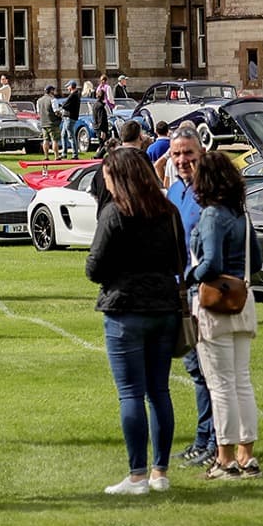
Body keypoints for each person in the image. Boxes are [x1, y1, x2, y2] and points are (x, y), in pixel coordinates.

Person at [84, 147, 184, 496]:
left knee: (131, 393)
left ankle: (138, 475)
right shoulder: (168, 210)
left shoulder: (115, 213)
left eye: (108, 177)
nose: (106, 184)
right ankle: (160, 471)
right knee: (159, 392)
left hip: (126, 309)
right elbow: (179, 259)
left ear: (120, 178)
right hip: (164, 308)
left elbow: (94, 267)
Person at [186, 150, 263, 481]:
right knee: (241, 381)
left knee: (220, 385)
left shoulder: (212, 216)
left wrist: (189, 275)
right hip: (243, 300)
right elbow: (256, 262)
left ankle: (225, 457)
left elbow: (211, 264)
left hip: (214, 305)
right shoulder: (240, 214)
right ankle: (247, 454)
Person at [163, 127, 214, 466]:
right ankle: (203, 438)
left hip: (204, 291)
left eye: (188, 153)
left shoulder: (210, 191)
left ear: (201, 153)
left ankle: (213, 442)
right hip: (179, 290)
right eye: (177, 154)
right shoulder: (175, 192)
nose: (182, 160)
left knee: (211, 371)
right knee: (194, 368)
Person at [35, 85, 59, 159]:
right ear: (51, 91)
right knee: (54, 140)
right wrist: (60, 115)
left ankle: (46, 156)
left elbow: (38, 113)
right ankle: (56, 156)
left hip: (43, 123)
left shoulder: (39, 101)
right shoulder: (53, 99)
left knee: (45, 140)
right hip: (52, 123)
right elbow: (56, 111)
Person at [60, 82, 83, 156]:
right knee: (63, 135)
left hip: (69, 117)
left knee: (70, 136)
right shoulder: (76, 94)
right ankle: (64, 152)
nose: (67, 88)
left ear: (71, 87)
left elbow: (65, 105)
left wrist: (61, 105)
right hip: (68, 117)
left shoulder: (73, 95)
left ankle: (75, 153)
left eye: (68, 87)